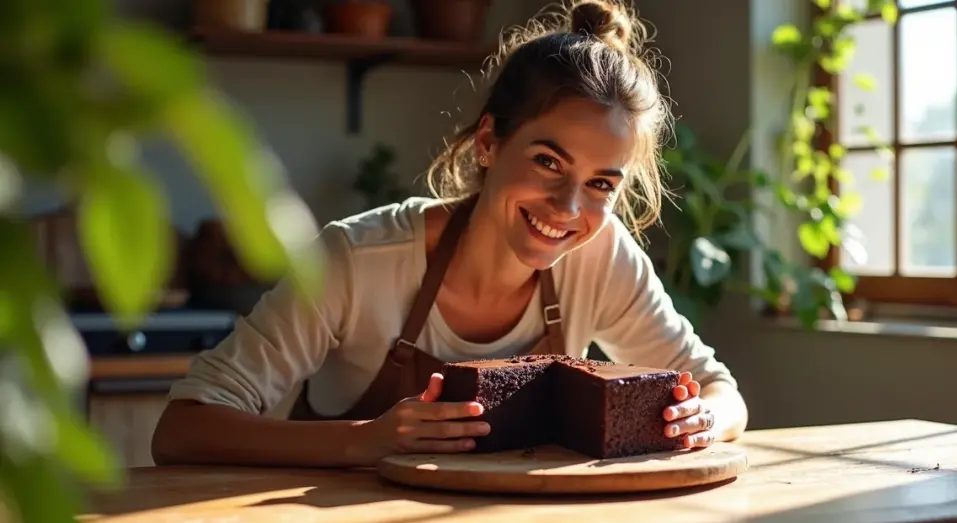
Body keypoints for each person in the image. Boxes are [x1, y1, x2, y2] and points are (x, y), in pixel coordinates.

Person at [151, 0, 748, 468]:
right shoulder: (359, 259)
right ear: (489, 143)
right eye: (548, 161)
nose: (568, 207)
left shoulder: (602, 257)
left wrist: (699, 419)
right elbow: (183, 427)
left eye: (600, 184)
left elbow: (722, 393)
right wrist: (364, 441)